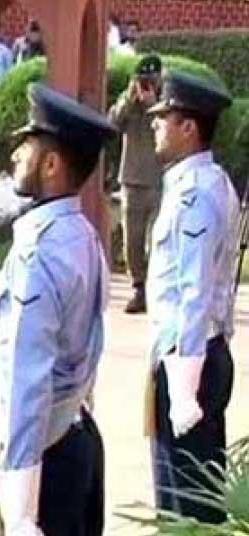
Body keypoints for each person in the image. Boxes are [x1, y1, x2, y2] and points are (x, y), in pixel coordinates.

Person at [0, 83, 116, 536]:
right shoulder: (83, 235)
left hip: (45, 460)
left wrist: (21, 508)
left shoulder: (40, 254)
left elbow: (28, 379)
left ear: (51, 164)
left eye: (26, 147)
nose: (15, 157)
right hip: (77, 438)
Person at [146, 71, 239, 525]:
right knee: (194, 500)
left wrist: (183, 388)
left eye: (165, 118)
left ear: (189, 128)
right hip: (199, 355)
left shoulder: (195, 194)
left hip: (190, 361)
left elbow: (194, 292)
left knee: (185, 506)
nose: (155, 125)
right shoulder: (207, 182)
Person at [109, 54, 164, 313]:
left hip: (158, 180)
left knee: (155, 239)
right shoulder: (127, 101)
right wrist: (130, 100)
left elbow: (167, 129)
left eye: (152, 79)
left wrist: (154, 105)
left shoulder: (167, 102)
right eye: (143, 80)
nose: (147, 84)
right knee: (132, 240)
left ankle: (156, 287)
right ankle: (138, 287)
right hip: (131, 178)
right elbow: (112, 124)